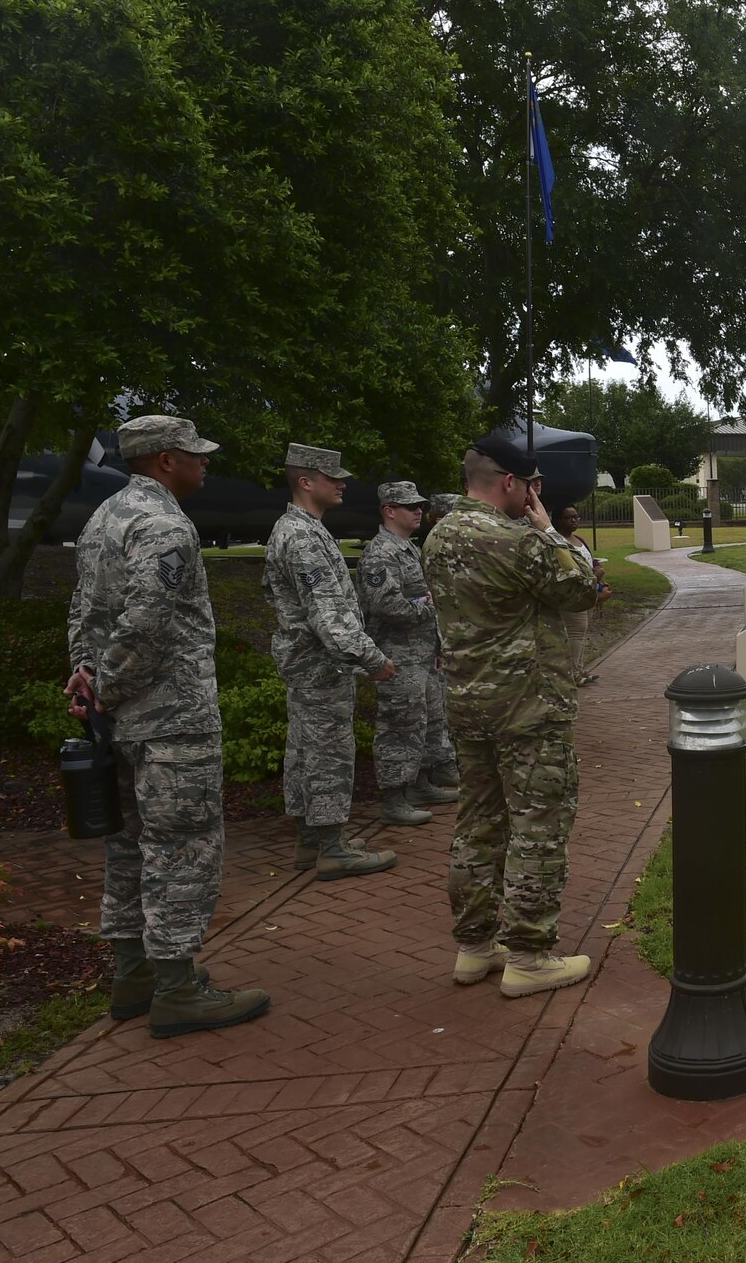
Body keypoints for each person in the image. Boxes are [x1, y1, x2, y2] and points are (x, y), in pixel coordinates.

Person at [63, 415, 271, 1037]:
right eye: (194, 454)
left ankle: (135, 979)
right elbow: (148, 621)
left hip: (120, 722)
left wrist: (88, 679)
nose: (204, 463)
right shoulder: (165, 525)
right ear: (163, 462)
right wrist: (113, 685)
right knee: (181, 851)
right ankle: (177, 992)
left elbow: (83, 609)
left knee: (127, 847)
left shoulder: (104, 518)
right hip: (170, 723)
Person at [425, 438, 598, 996]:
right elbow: (580, 590)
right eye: (532, 487)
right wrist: (548, 529)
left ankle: (474, 947)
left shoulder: (439, 536)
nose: (535, 496)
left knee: (476, 824)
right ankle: (528, 955)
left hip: (469, 704)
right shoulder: (517, 540)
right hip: (528, 707)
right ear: (510, 483)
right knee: (538, 828)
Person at [264, 443, 399, 878]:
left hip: (308, 664)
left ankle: (312, 840)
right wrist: (373, 659)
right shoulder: (302, 536)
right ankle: (332, 848)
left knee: (304, 751)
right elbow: (329, 617)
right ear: (306, 482)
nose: (342, 483)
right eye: (332, 477)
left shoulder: (298, 528)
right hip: (320, 666)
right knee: (326, 754)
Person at [359, 482, 460, 822]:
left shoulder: (406, 548)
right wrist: (428, 607)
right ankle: (393, 799)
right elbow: (386, 604)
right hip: (397, 656)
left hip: (420, 654)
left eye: (419, 505)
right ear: (389, 510)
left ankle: (420, 782)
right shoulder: (381, 552)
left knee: (426, 720)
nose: (418, 510)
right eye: (409, 506)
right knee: (399, 726)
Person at [553, 505, 610, 684]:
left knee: (582, 631)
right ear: (558, 521)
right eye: (569, 517)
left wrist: (598, 570)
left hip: (589, 593)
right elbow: (570, 570)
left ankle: (579, 668)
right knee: (576, 632)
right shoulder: (558, 542)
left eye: (576, 517)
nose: (574, 520)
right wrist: (594, 575)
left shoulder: (578, 540)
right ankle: (573, 673)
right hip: (573, 595)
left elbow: (589, 560)